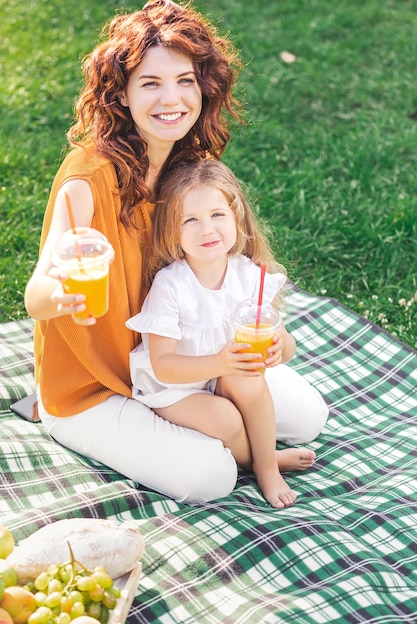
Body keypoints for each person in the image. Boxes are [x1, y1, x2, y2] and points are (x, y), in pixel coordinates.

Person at [24, 0, 328, 504]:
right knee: (209, 479)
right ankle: (54, 414)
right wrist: (64, 295)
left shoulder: (188, 167)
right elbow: (37, 294)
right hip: (95, 388)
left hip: (182, 359)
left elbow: (225, 271)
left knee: (307, 418)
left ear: (203, 86)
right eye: (150, 83)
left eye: (185, 80)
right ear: (120, 94)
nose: (173, 99)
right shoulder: (87, 179)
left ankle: (242, 444)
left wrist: (269, 340)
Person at [127, 160, 316, 508]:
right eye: (190, 220)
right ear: (172, 230)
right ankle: (262, 462)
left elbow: (287, 348)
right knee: (225, 417)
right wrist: (218, 361)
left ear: (236, 218)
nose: (207, 230)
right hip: (176, 387)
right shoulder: (171, 286)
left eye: (217, 215)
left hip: (221, 373)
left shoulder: (250, 277)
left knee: (251, 381)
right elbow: (164, 366)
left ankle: (266, 466)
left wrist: (279, 347)